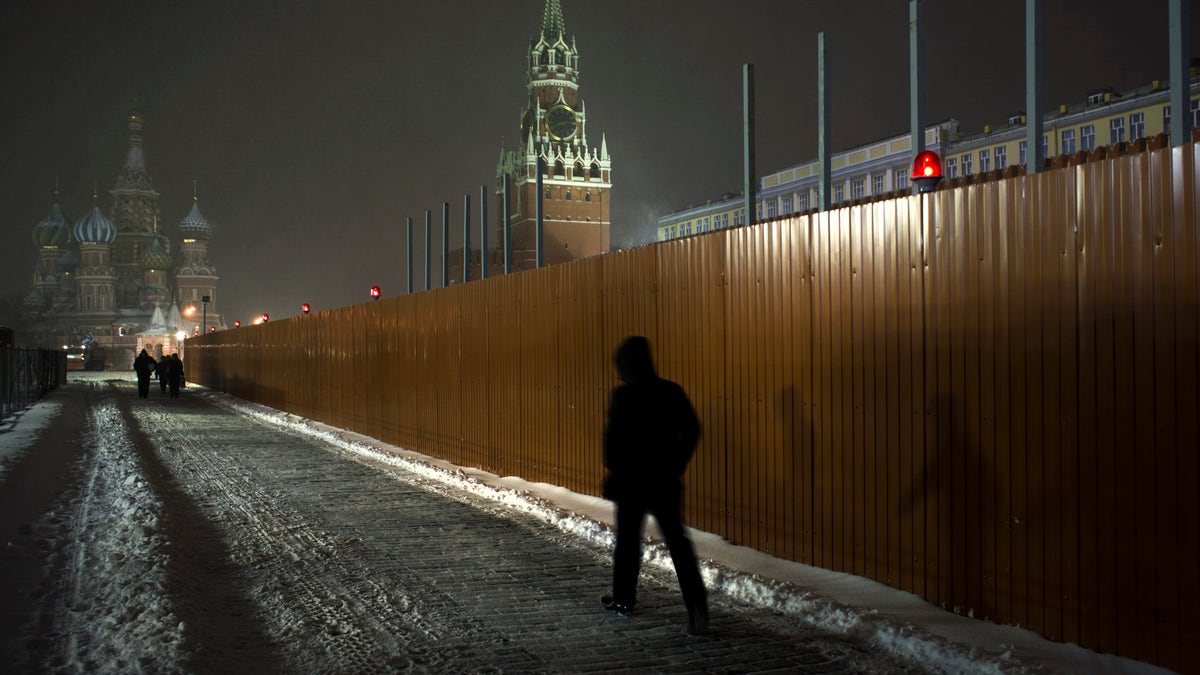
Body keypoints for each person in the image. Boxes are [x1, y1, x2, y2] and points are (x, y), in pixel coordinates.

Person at [600, 335, 708, 635]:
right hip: (664, 479)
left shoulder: (623, 395)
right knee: (677, 543)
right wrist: (677, 462)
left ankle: (624, 599)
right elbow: (692, 428)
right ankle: (697, 607)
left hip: (631, 480)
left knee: (627, 543)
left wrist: (614, 467)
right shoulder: (670, 391)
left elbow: (612, 440)